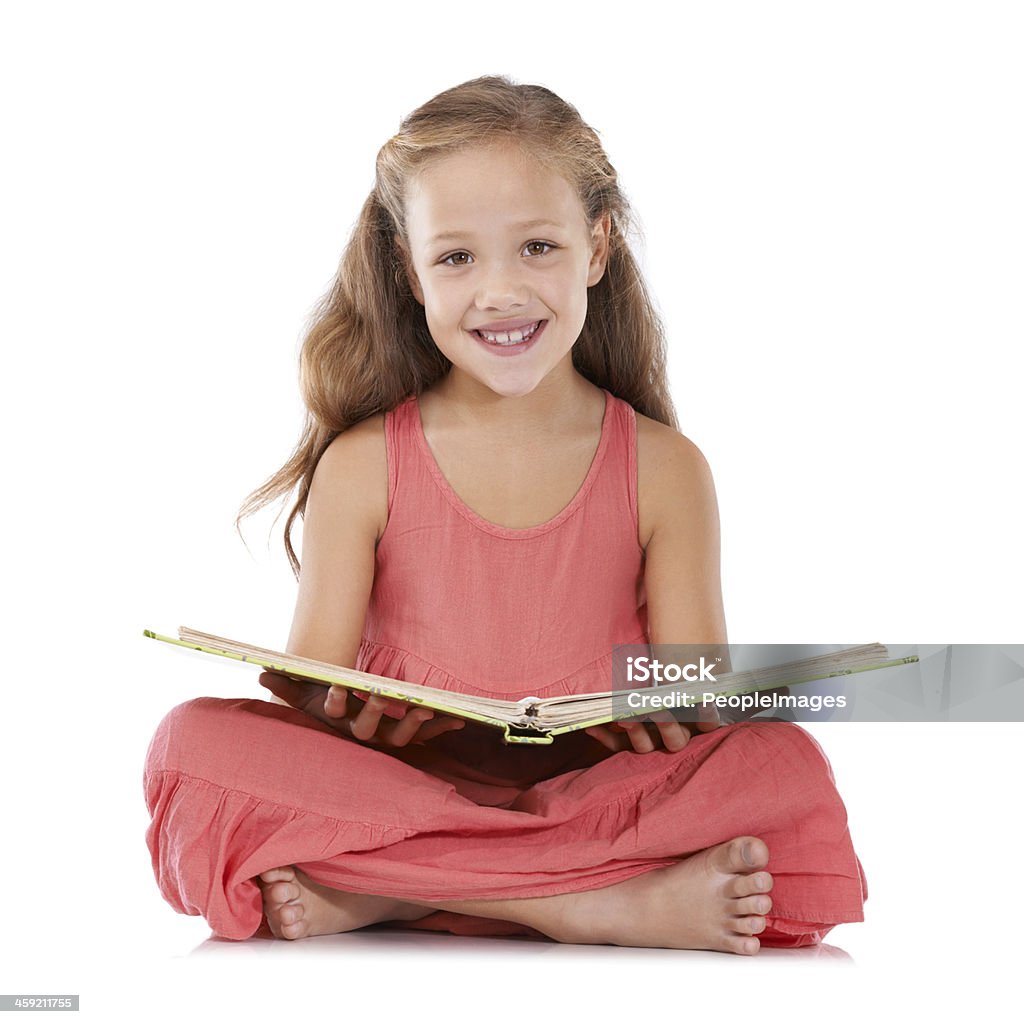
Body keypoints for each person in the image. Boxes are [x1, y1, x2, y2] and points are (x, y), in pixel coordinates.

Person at [144, 76, 866, 956]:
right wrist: (351, 717)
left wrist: (667, 712)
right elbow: (314, 705)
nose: (500, 292)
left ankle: (394, 893)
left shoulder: (666, 470)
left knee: (780, 771)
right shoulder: (364, 465)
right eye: (456, 258)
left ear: (595, 246)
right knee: (188, 746)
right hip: (399, 793)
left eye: (536, 247)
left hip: (599, 799)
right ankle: (581, 904)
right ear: (408, 270)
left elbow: (698, 702)